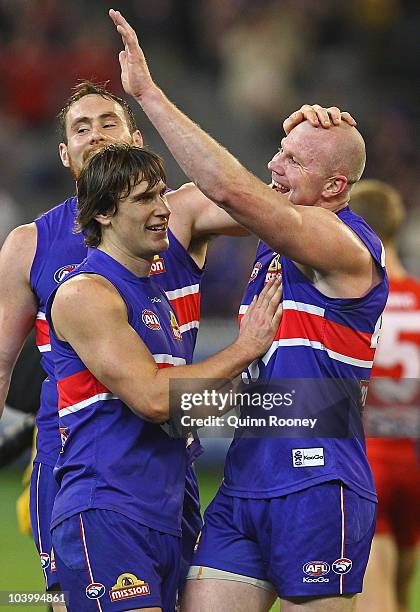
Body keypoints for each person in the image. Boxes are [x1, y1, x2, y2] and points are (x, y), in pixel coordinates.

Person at [108, 9, 389, 612]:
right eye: (279, 153)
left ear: (336, 188)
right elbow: (199, 203)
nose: (274, 169)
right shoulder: (276, 246)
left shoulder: (344, 246)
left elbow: (229, 188)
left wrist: (149, 95)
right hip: (245, 479)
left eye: (292, 162)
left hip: (317, 482)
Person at [0, 79, 248, 598]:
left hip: (168, 458)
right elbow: (2, 362)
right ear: (65, 154)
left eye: (109, 121)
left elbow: (250, 202)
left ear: (137, 138)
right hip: (79, 463)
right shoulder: (29, 244)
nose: (96, 135)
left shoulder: (177, 213)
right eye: (81, 128)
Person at [46, 142, 282, 611]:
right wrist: (245, 348)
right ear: (105, 213)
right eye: (145, 199)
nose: (162, 210)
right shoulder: (85, 293)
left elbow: (184, 403)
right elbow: (154, 399)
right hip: (107, 508)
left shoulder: (157, 297)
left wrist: (304, 405)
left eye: (162, 195)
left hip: (166, 511)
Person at [349, 180, 420, 612]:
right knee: (402, 593)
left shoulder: (353, 300)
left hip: (366, 458)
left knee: (376, 601)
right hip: (412, 458)